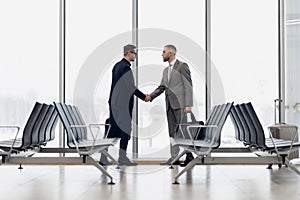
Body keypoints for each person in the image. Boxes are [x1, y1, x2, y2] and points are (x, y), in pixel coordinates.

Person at [100, 44, 150, 166]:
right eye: (134, 53)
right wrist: (144, 96)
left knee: (112, 128)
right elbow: (130, 87)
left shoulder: (117, 66)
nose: (136, 56)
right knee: (125, 130)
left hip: (114, 103)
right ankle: (122, 158)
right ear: (128, 53)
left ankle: (103, 157)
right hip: (122, 104)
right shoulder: (125, 68)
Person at [148, 44, 194, 167]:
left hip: (181, 105)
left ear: (171, 53)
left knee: (184, 131)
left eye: (164, 52)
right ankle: (175, 157)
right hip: (169, 105)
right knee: (172, 132)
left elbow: (188, 86)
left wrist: (188, 104)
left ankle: (189, 156)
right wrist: (150, 96)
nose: (162, 54)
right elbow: (162, 87)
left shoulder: (182, 66)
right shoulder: (165, 71)